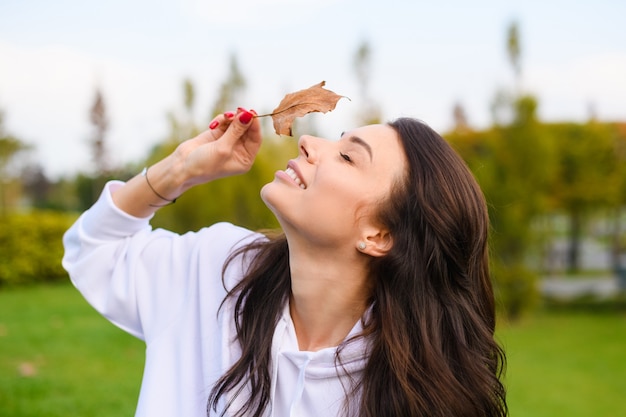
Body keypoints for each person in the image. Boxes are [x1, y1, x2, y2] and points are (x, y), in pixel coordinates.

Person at [63, 107, 507, 417]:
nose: (310, 142)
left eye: (348, 157)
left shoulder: (413, 395)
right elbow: (95, 251)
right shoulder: (218, 270)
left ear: (379, 235)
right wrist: (179, 169)